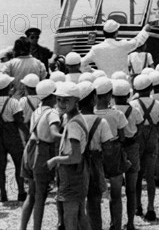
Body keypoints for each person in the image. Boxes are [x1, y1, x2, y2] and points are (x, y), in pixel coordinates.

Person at [46, 82, 91, 230]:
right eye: (59, 99)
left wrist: (55, 160)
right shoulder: (74, 118)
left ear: (76, 101)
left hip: (72, 172)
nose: (61, 103)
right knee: (79, 214)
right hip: (77, 171)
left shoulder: (72, 125)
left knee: (70, 216)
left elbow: (75, 157)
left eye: (66, 100)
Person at [20, 79, 61, 230]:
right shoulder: (53, 112)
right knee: (40, 196)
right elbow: (54, 134)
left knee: (31, 193)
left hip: (30, 149)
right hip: (42, 152)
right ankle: (36, 227)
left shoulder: (37, 110)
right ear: (52, 96)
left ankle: (22, 227)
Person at [131, 74, 159, 221]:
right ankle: (151, 208)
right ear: (151, 88)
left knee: (138, 176)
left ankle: (138, 206)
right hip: (153, 138)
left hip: (138, 139)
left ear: (135, 89)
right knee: (150, 176)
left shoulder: (133, 104)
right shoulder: (157, 104)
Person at [93, 77, 129, 230]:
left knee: (95, 195)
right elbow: (123, 137)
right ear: (110, 95)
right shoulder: (117, 114)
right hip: (113, 152)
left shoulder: (91, 114)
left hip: (96, 154)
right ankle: (116, 225)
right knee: (116, 194)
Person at [0, 74, 28, 202]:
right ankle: (21, 192)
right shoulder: (13, 102)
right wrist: (28, 134)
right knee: (18, 163)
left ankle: (3, 194)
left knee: (1, 165)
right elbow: (19, 121)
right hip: (12, 134)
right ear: (8, 87)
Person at [77, 81, 113, 230]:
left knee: (77, 204)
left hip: (76, 163)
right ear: (93, 100)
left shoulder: (71, 120)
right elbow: (108, 149)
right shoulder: (101, 122)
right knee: (94, 203)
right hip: (95, 162)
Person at [112, 79, 143, 230]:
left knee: (115, 190)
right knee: (131, 188)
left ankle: (114, 223)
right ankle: (130, 222)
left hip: (116, 149)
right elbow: (140, 127)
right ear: (128, 95)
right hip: (131, 148)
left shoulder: (112, 111)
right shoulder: (134, 111)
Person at [81, 20, 151, 77]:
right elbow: (137, 41)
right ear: (116, 33)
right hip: (123, 82)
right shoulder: (122, 45)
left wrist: (95, 72)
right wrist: (145, 30)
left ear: (104, 33)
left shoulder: (95, 49)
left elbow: (81, 64)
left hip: (105, 84)